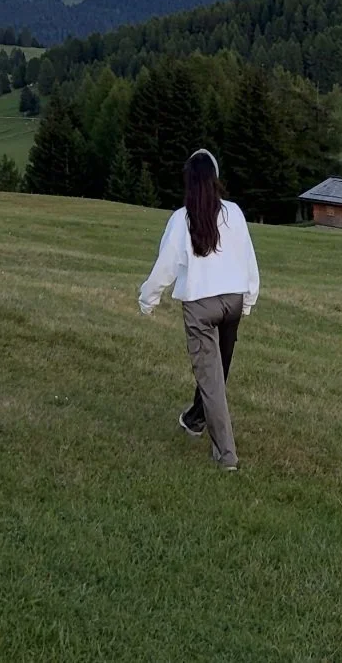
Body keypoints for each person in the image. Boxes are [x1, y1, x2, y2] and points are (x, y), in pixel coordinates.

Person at [138, 149, 259, 471]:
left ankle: (227, 455)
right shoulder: (234, 212)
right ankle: (194, 420)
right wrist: (248, 300)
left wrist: (147, 299)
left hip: (200, 308)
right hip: (232, 302)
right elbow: (248, 259)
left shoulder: (181, 219)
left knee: (212, 379)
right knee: (216, 370)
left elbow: (166, 265)